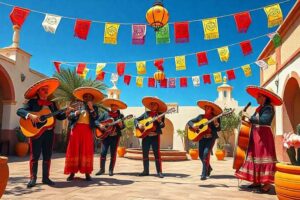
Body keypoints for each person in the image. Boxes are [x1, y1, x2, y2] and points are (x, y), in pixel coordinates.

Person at [17, 78, 72, 188]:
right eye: (43, 89)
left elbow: (59, 116)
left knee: (47, 155)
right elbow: (19, 111)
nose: (46, 91)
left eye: (47, 90)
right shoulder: (32, 102)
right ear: (38, 91)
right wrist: (30, 115)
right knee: (35, 155)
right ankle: (33, 178)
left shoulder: (52, 104)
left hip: (49, 133)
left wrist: (66, 112)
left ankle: (45, 178)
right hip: (36, 131)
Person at [235, 85, 283, 193]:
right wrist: (245, 118)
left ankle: (266, 184)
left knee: (263, 157)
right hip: (256, 135)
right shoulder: (259, 108)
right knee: (255, 157)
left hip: (264, 136)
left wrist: (249, 117)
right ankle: (256, 181)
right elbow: (253, 120)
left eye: (258, 96)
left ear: (264, 97)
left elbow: (264, 121)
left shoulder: (269, 108)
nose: (256, 98)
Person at [64, 87, 104, 181]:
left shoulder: (95, 108)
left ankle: (87, 173)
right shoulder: (76, 105)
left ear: (92, 99)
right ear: (83, 98)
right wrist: (75, 113)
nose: (87, 98)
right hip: (76, 129)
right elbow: (69, 117)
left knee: (86, 150)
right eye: (85, 96)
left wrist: (91, 108)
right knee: (74, 150)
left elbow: (95, 118)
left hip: (87, 130)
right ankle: (72, 173)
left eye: (89, 97)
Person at [187, 101, 222, 180]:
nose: (206, 109)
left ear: (212, 109)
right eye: (205, 107)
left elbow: (219, 129)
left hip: (211, 138)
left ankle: (204, 174)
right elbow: (190, 122)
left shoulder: (216, 117)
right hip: (202, 138)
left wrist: (216, 123)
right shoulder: (200, 117)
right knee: (200, 155)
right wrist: (193, 126)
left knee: (206, 153)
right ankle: (208, 168)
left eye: (208, 107)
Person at [134, 96, 166, 178]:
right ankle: (145, 171)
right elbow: (136, 119)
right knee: (145, 154)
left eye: (154, 104)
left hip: (155, 136)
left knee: (157, 154)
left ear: (157, 106)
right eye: (151, 104)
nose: (152, 106)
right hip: (146, 136)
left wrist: (159, 121)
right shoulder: (146, 114)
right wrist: (139, 124)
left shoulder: (160, 115)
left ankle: (159, 172)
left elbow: (162, 125)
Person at [95, 98, 127, 176]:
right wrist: (100, 125)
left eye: (116, 106)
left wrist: (121, 125)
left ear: (118, 107)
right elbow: (96, 121)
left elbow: (123, 127)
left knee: (113, 153)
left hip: (115, 137)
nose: (114, 107)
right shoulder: (105, 114)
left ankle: (111, 170)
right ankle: (102, 169)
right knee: (103, 153)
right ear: (110, 106)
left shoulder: (121, 116)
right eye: (112, 105)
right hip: (105, 136)